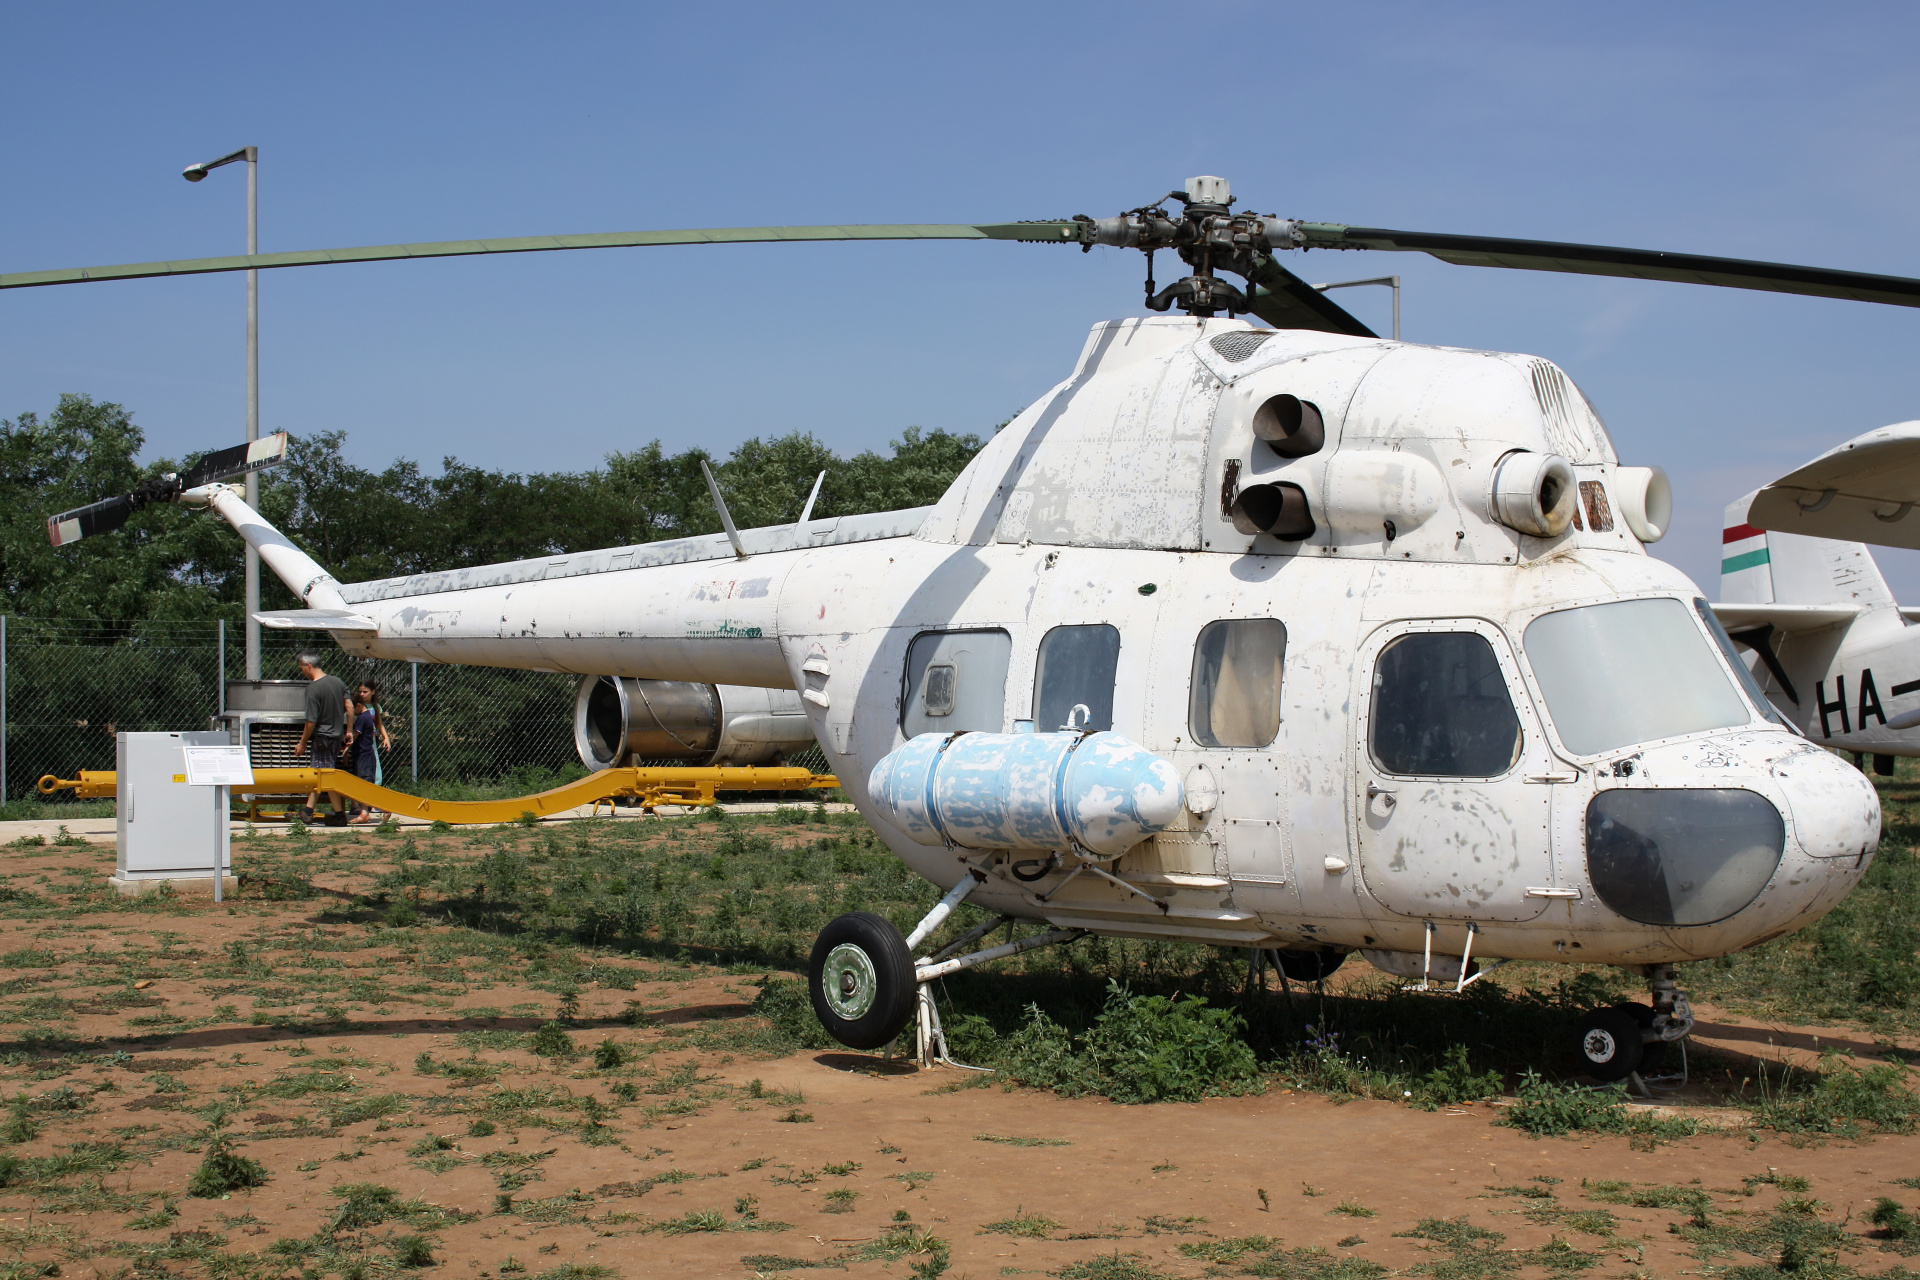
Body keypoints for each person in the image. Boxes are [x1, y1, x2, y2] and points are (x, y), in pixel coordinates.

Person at [292, 652, 352, 825]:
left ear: (308, 666)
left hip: (322, 738)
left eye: (301, 668)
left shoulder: (313, 688)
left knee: (322, 775)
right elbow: (349, 707)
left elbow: (311, 721)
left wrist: (302, 742)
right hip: (336, 737)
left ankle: (331, 814)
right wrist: (348, 731)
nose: (302, 671)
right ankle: (310, 811)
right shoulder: (338, 682)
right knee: (324, 773)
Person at [347, 681, 392, 825]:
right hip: (361, 749)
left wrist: (386, 738)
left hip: (367, 748)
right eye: (360, 691)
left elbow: (379, 724)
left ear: (373, 692)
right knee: (359, 778)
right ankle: (361, 808)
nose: (362, 694)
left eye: (364, 691)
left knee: (369, 778)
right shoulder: (356, 708)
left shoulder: (369, 710)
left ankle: (373, 807)